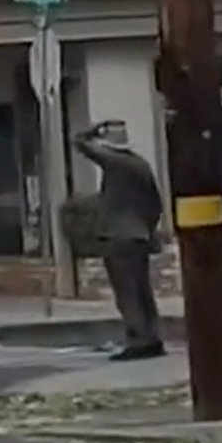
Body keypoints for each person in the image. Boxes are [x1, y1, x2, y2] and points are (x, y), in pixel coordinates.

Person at [72, 120, 165, 361]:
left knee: (126, 292)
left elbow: (79, 143)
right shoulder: (140, 164)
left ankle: (137, 340)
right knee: (143, 290)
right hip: (138, 235)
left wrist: (93, 129)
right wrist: (146, 227)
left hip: (118, 237)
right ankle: (152, 337)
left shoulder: (116, 162)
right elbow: (155, 203)